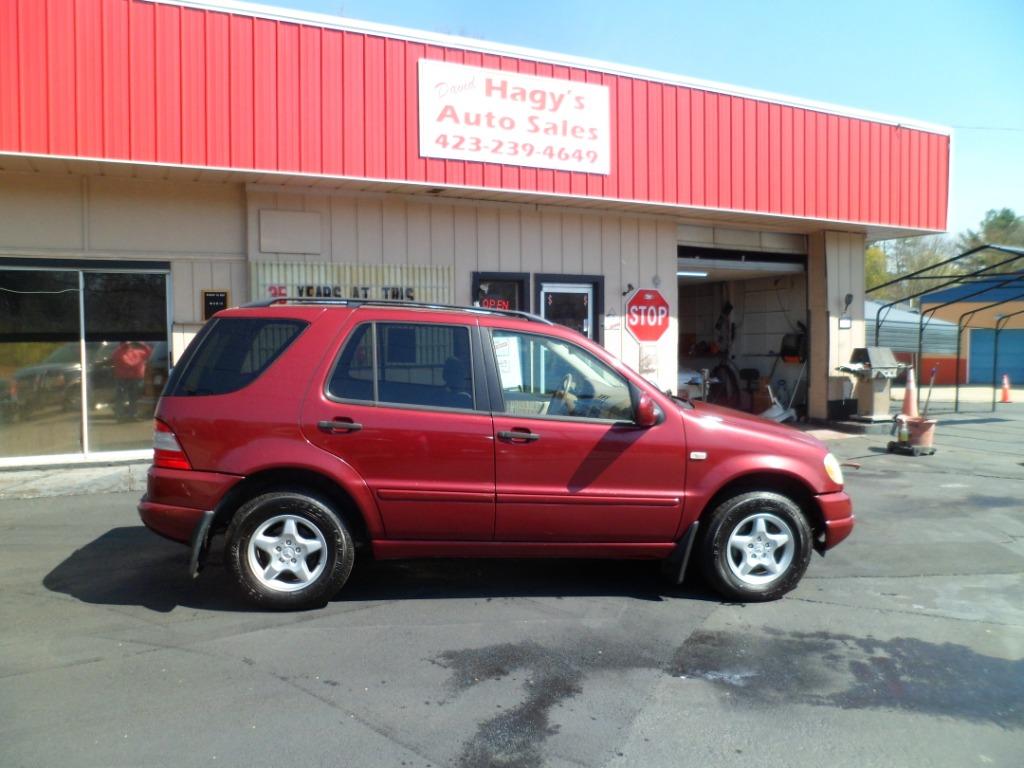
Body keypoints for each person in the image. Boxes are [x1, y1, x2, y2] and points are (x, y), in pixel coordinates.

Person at [112, 341, 152, 420]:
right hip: (124, 378)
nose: (128, 345)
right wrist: (142, 344)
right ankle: (121, 415)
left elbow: (150, 354)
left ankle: (131, 415)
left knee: (133, 398)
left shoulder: (137, 352)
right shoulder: (119, 352)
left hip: (133, 378)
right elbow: (117, 357)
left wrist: (142, 344)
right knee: (123, 398)